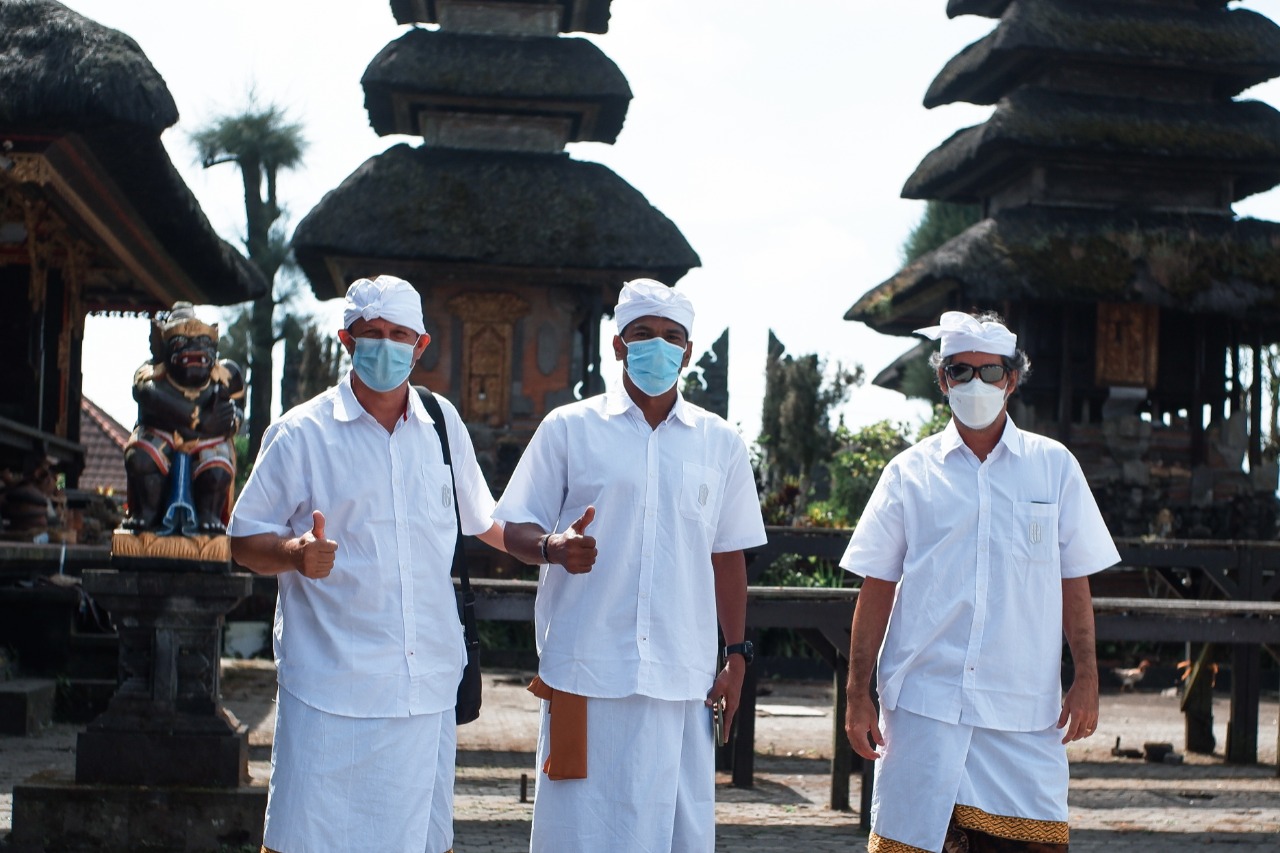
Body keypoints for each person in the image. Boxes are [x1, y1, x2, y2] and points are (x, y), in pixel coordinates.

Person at [228, 275, 504, 853]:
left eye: (398, 334)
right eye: (370, 333)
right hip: (331, 686)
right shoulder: (301, 432)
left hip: (425, 686)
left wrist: (552, 547)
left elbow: (484, 520)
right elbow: (244, 538)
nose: (385, 344)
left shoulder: (443, 424)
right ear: (345, 340)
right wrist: (294, 556)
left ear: (421, 344)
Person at [495, 278, 767, 852]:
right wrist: (551, 547)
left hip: (681, 679)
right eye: (643, 334)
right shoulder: (569, 428)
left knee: (673, 835)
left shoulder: (719, 443)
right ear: (617, 344)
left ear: (688, 352)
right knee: (578, 836)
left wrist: (737, 657)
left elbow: (728, 555)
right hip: (585, 675)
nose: (658, 347)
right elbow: (512, 525)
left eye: (672, 337)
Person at [841, 310, 1119, 853]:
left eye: (990, 372)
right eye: (960, 372)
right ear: (942, 379)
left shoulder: (1054, 467)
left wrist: (1087, 674)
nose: (976, 384)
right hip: (924, 706)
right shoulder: (907, 473)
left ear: (1011, 379)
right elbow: (876, 587)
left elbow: (1074, 581)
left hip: (1021, 711)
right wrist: (857, 693)